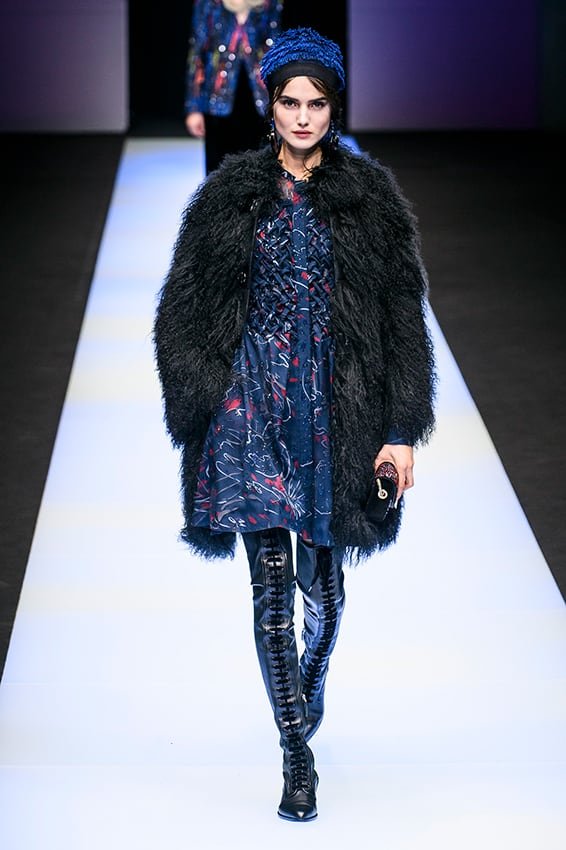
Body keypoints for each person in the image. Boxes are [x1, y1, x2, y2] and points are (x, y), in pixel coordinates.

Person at [154, 27, 436, 822]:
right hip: (249, 412)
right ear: (270, 106)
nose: (303, 116)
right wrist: (203, 397)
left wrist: (400, 428)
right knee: (271, 596)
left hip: (336, 414)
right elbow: (182, 307)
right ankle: (295, 754)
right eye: (289, 102)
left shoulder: (371, 201)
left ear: (333, 108)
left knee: (328, 596)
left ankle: (307, 691)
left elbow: (401, 320)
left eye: (316, 103)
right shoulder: (230, 197)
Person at [185, 0, 283, 174]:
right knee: (219, 172)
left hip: (261, 101)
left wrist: (282, 101)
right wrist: (194, 108)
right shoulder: (208, 3)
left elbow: (277, 50)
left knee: (260, 172)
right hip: (217, 101)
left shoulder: (270, 3)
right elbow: (197, 54)